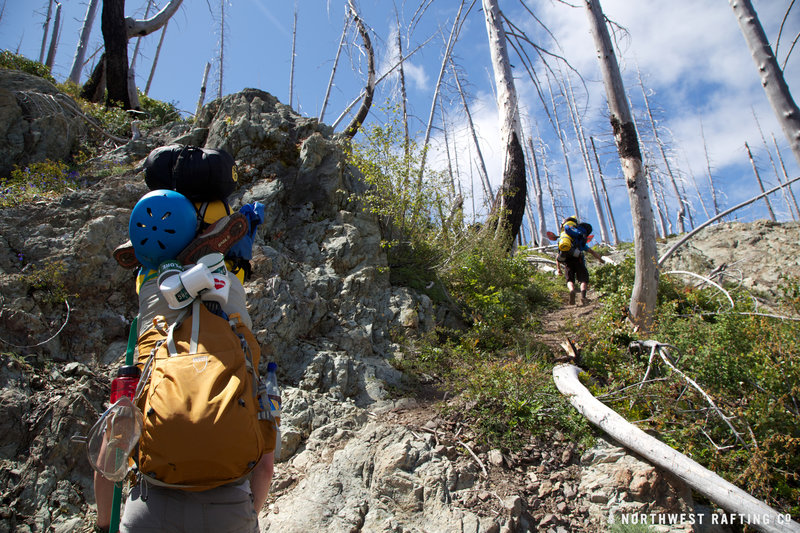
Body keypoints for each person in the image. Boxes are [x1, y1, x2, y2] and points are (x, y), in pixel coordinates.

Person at [93, 190, 275, 533]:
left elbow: (109, 461)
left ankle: (165, 264)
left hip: (151, 510)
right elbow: (264, 468)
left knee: (175, 339)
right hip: (229, 511)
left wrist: (104, 526)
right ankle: (174, 264)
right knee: (227, 338)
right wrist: (247, 515)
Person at [555, 216, 603, 305]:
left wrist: (558, 269)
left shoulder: (564, 239)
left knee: (569, 279)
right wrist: (600, 259)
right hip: (579, 259)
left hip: (567, 261)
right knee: (583, 279)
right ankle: (583, 297)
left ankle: (572, 290)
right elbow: (591, 251)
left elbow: (558, 255)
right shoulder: (579, 238)